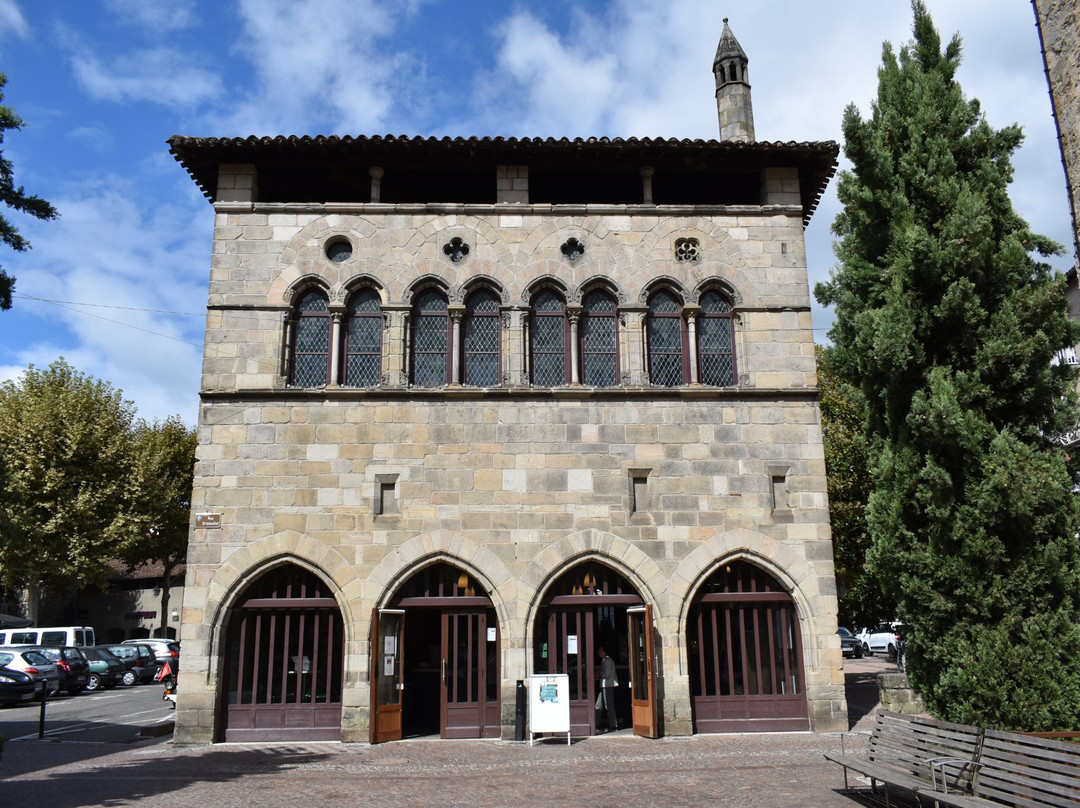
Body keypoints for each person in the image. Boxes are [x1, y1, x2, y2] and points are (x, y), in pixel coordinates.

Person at [596, 645, 618, 732]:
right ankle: (596, 723)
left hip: (607, 685)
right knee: (599, 705)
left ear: (604, 652)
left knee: (608, 705)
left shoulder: (608, 661)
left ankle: (613, 724)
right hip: (604, 685)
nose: (599, 653)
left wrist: (600, 674)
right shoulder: (605, 661)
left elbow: (607, 674)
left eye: (600, 651)